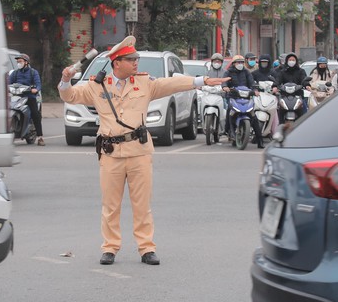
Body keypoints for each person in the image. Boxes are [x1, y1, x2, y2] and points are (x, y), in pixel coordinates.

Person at [58, 36, 228, 266]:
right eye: (131, 59)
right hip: (111, 153)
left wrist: (202, 80)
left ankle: (146, 247)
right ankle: (110, 247)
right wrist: (65, 80)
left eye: (136, 58)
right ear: (117, 63)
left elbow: (171, 84)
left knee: (142, 205)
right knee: (110, 206)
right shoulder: (97, 85)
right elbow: (69, 96)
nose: (136, 62)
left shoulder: (144, 82)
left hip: (139, 151)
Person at [222, 54, 265, 149]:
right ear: (234, 63)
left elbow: (252, 82)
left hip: (246, 97)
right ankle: (227, 130)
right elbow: (224, 81)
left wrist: (255, 90)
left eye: (241, 62)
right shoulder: (228, 72)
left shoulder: (246, 72)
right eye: (238, 62)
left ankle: (260, 140)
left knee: (253, 116)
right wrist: (225, 87)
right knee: (230, 111)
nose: (240, 64)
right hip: (233, 96)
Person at [8, 53, 45, 145]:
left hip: (29, 97)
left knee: (35, 114)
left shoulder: (33, 72)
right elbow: (8, 82)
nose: (18, 63)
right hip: (17, 96)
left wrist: (36, 89)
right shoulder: (15, 73)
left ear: (26, 62)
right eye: (17, 62)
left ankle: (40, 137)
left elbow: (38, 84)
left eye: (20, 61)